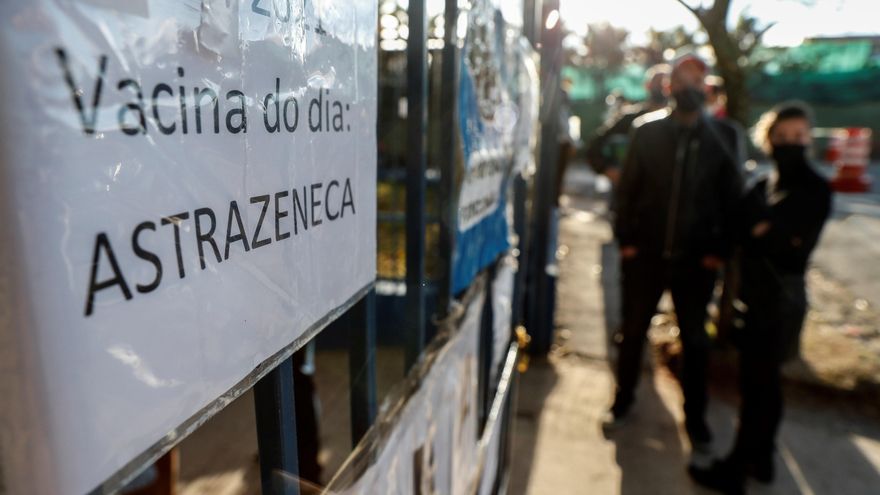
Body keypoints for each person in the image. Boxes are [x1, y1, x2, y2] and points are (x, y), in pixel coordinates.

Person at [689, 102, 832, 494]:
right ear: (768, 140)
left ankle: (736, 469)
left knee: (760, 389)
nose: (790, 143)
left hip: (780, 303)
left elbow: (784, 242)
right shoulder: (765, 184)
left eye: (798, 136)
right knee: (760, 385)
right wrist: (759, 229)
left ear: (809, 138)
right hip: (755, 299)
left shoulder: (815, 188)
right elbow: (740, 226)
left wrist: (762, 230)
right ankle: (762, 460)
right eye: (782, 137)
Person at [603, 54, 744, 454]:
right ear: (668, 86)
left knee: (695, 341)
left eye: (696, 81)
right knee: (633, 331)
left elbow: (732, 198)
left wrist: (719, 250)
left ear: (707, 87)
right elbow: (627, 191)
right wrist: (626, 240)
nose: (689, 88)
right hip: (645, 257)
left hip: (697, 263)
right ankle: (622, 401)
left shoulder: (725, 135)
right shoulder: (646, 131)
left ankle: (695, 420)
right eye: (681, 80)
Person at [585, 64, 671, 186]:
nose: (662, 87)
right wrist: (608, 171)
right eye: (658, 82)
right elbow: (594, 145)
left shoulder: (677, 122)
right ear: (647, 85)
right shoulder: (631, 118)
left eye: (666, 83)